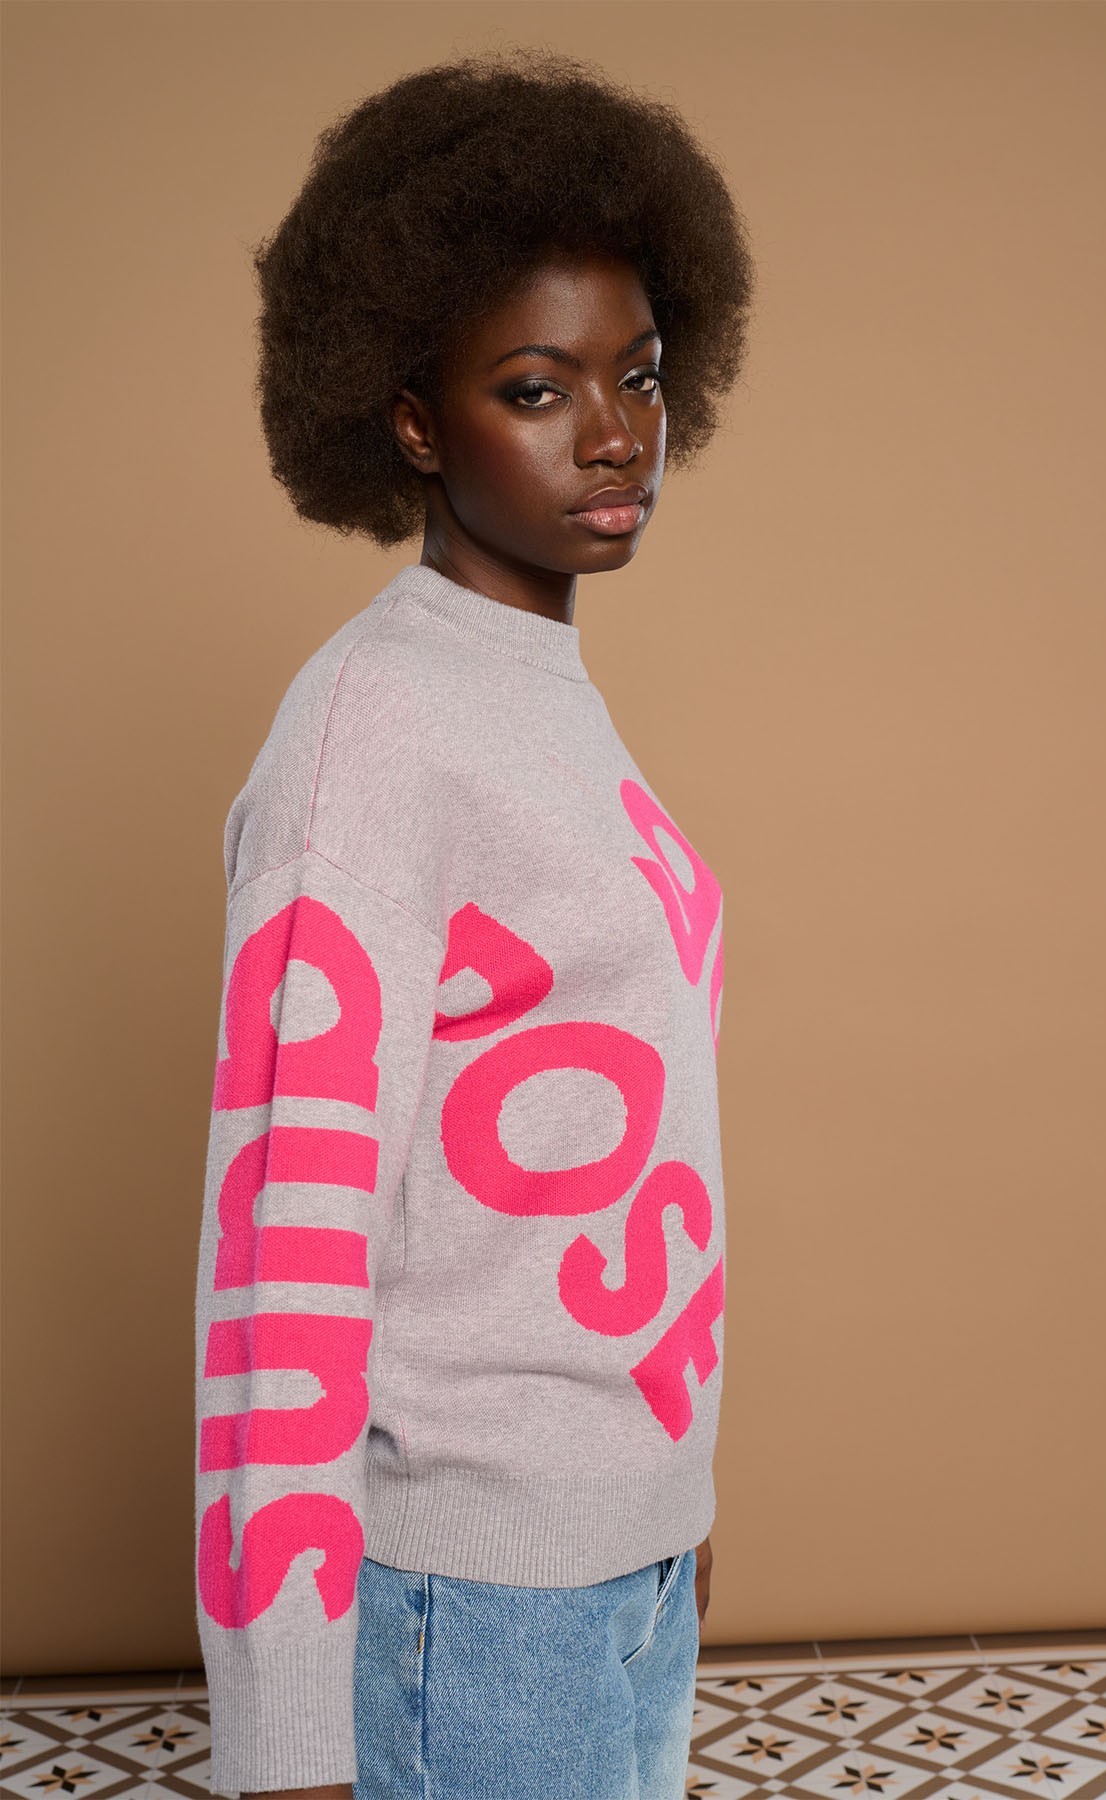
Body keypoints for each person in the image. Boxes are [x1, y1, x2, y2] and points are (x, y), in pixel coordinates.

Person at [193, 45, 753, 1800]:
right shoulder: (369, 740)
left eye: (639, 374)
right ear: (415, 421)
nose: (617, 432)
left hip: (614, 1570)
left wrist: (668, 1499)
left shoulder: (533, 689)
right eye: (536, 387)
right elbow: (283, 1255)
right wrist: (290, 1728)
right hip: (475, 1609)